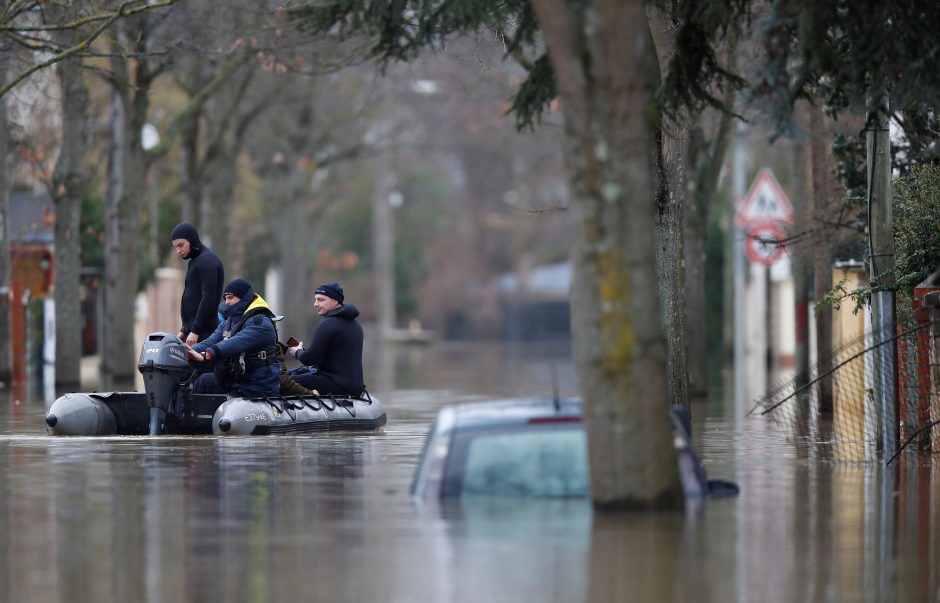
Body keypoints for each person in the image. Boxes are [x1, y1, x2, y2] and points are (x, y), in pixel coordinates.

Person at [186, 278, 279, 397]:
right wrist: (183, 351)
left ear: (244, 298)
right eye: (225, 299)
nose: (227, 302)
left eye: (230, 298)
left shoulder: (260, 322)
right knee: (203, 381)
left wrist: (206, 355)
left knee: (204, 382)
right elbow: (210, 342)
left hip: (258, 387)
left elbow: (234, 343)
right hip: (237, 381)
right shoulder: (229, 321)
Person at [287, 282, 364, 396]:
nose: (315, 304)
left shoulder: (329, 323)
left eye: (321, 300)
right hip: (355, 386)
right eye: (315, 300)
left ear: (335, 301)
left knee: (280, 381)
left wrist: (298, 351)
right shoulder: (355, 324)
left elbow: (309, 359)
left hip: (335, 384)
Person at [171, 222, 224, 345]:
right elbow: (193, 296)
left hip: (205, 334)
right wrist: (185, 330)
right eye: (175, 247)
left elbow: (208, 297)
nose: (178, 250)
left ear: (192, 240)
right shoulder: (196, 261)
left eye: (181, 245)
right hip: (194, 333)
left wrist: (195, 330)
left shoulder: (206, 260)